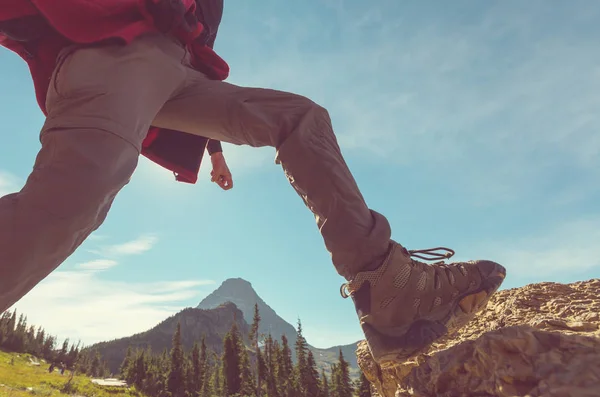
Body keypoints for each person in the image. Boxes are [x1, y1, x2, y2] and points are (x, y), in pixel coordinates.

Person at [0, 0, 506, 367]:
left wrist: (215, 151)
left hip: (179, 71)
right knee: (71, 203)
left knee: (299, 119)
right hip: (110, 52)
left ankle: (388, 289)